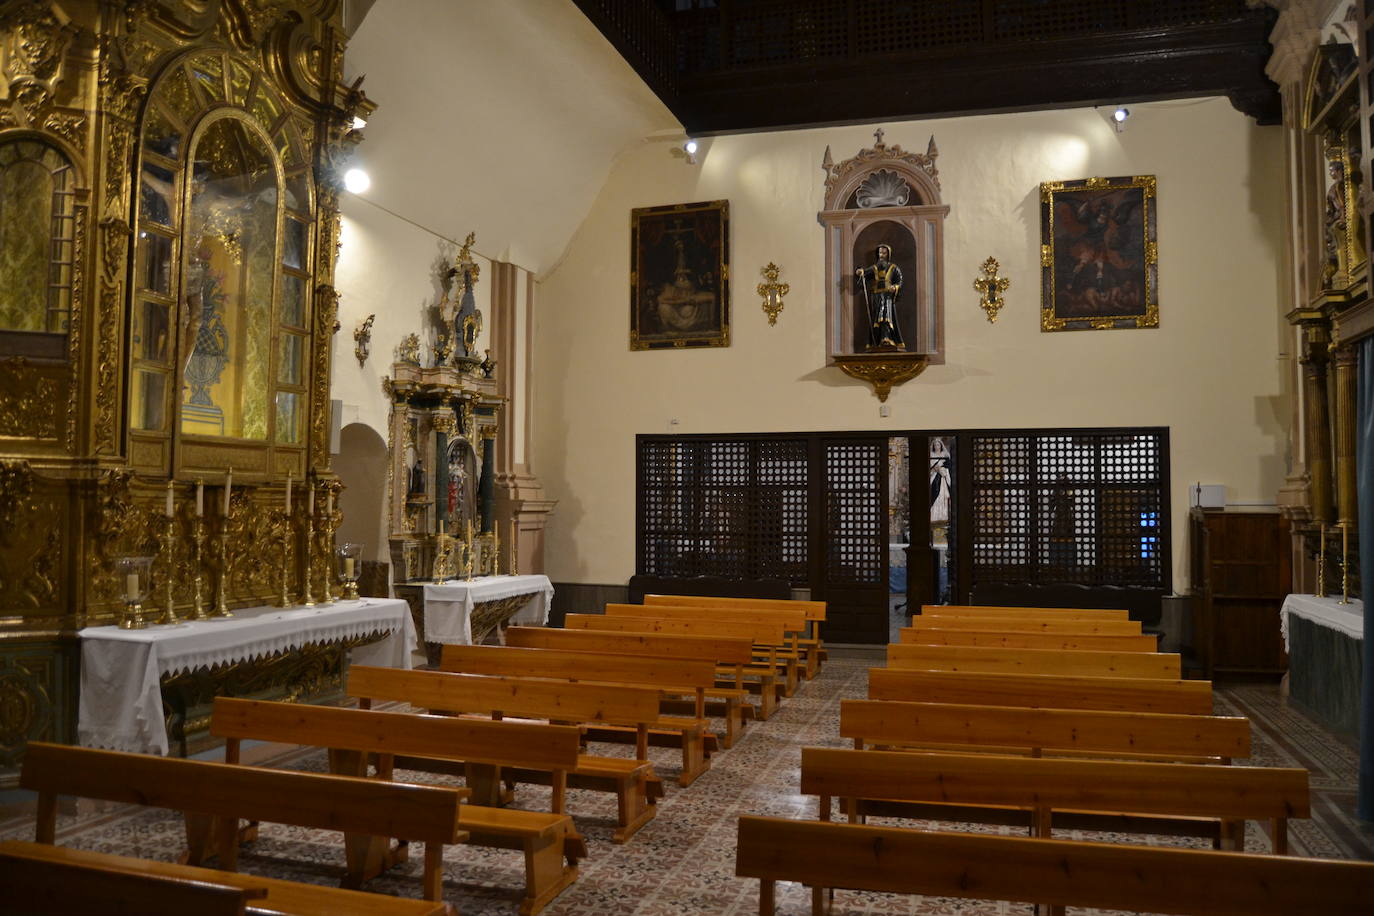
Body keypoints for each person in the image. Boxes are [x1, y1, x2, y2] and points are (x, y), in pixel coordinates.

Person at [855, 244, 904, 348]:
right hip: (877, 297)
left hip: (888, 297)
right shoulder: (874, 268)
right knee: (877, 319)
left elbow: (900, 281)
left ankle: (886, 338)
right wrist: (860, 272)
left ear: (888, 254)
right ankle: (876, 341)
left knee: (886, 317)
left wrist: (895, 287)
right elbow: (864, 274)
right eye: (880, 253)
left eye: (884, 253)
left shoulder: (894, 268)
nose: (881, 255)